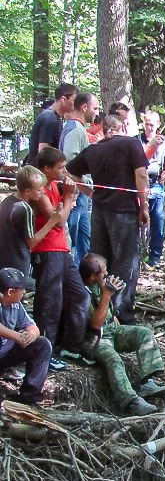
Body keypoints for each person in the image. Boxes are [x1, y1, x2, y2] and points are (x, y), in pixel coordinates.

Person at [65, 115, 149, 325]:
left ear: (104, 129)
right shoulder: (131, 143)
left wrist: (92, 193)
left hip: (100, 212)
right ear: (123, 127)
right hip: (123, 211)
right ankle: (120, 313)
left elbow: (70, 171)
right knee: (125, 261)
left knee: (98, 260)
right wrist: (144, 206)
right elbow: (142, 175)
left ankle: (93, 308)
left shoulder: (93, 150)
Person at [79, 254, 165, 415]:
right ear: (92, 276)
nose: (106, 276)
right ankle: (131, 401)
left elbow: (108, 312)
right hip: (95, 338)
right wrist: (107, 295)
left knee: (144, 334)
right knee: (114, 359)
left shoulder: (100, 285)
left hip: (112, 329)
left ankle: (147, 382)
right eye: (103, 273)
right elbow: (95, 324)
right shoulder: (81, 292)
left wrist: (112, 310)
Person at [31, 147, 89, 366]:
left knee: (79, 296)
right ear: (46, 169)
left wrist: (70, 195)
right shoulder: (40, 192)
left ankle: (71, 347)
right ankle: (46, 352)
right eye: (61, 168)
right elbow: (60, 220)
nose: (65, 172)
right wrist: (67, 197)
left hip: (62, 250)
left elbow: (64, 210)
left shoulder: (55, 186)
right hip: (46, 251)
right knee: (50, 303)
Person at [0, 166, 63, 282]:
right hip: (17, 262)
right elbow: (31, 242)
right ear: (28, 191)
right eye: (39, 190)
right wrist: (52, 221)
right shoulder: (26, 209)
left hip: (4, 260)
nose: (43, 192)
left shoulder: (6, 202)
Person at [0, 268, 52, 405]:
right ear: (10, 291)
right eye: (21, 289)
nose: (24, 292)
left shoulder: (16, 305)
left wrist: (30, 336)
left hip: (5, 353)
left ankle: (29, 397)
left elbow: (32, 327)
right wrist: (16, 336)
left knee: (42, 344)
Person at [60, 92, 100, 267]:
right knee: (75, 242)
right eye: (95, 108)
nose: (97, 113)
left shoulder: (75, 128)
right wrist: (86, 190)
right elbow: (69, 165)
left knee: (84, 242)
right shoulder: (76, 129)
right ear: (84, 107)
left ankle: (82, 283)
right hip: (76, 196)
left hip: (79, 195)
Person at [140, 110, 165, 267]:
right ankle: (137, 254)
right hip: (139, 185)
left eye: (152, 124)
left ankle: (155, 256)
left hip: (157, 185)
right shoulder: (137, 140)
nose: (149, 127)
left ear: (158, 125)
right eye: (146, 124)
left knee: (158, 220)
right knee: (137, 219)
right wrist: (150, 144)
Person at [26, 83, 77, 167]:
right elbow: (43, 150)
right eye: (74, 100)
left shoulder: (54, 118)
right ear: (63, 99)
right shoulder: (49, 118)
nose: (75, 104)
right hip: (40, 173)